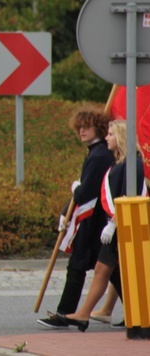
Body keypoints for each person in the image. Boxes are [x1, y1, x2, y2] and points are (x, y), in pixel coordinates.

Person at [58, 119, 146, 331]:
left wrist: (114, 224)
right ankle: (83, 314)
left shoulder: (132, 163)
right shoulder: (120, 162)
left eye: (111, 135)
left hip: (123, 225)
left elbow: (128, 195)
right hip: (115, 225)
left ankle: (85, 314)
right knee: (102, 270)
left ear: (121, 137)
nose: (106, 138)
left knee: (111, 271)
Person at [37, 108, 114, 328]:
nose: (81, 131)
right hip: (95, 220)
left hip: (95, 221)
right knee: (109, 269)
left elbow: (85, 193)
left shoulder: (99, 155)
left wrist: (76, 190)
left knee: (82, 266)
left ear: (97, 128)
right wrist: (66, 211)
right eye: (79, 127)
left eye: (86, 127)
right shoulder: (96, 152)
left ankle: (65, 313)